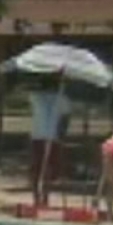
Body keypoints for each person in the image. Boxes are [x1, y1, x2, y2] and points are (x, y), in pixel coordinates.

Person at [27, 78, 72, 207]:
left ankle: (38, 197)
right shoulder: (62, 99)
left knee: (38, 168)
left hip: (38, 135)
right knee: (47, 168)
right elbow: (65, 120)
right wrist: (62, 135)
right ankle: (44, 197)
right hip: (52, 136)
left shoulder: (35, 96)